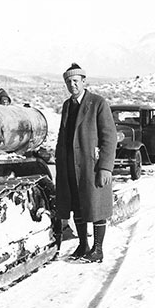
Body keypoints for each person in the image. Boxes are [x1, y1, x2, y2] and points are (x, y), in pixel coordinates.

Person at [55, 63, 117, 263]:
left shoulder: (98, 103)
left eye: (75, 81)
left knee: (96, 206)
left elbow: (109, 137)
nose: (72, 85)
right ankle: (83, 245)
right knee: (77, 205)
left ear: (83, 81)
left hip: (91, 165)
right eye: (68, 82)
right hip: (71, 166)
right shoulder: (67, 105)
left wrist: (105, 167)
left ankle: (98, 249)